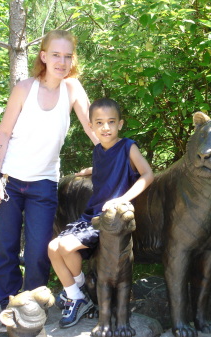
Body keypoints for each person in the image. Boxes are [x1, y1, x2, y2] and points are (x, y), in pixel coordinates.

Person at [0, 29, 98, 311]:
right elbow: (3, 133)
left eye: (67, 56)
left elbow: (92, 128)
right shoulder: (25, 88)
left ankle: (32, 304)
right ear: (44, 56)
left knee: (38, 252)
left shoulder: (72, 88)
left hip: (43, 186)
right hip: (9, 182)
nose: (62, 62)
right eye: (56, 55)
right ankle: (7, 306)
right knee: (6, 249)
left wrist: (115, 161)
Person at [48, 98, 154, 328]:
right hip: (92, 214)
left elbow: (147, 174)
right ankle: (77, 296)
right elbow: (105, 169)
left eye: (111, 122)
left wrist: (121, 200)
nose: (105, 127)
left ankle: (80, 292)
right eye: (99, 123)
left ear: (120, 124)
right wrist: (88, 170)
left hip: (111, 218)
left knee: (65, 247)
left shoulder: (128, 147)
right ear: (92, 126)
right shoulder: (99, 150)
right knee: (53, 248)